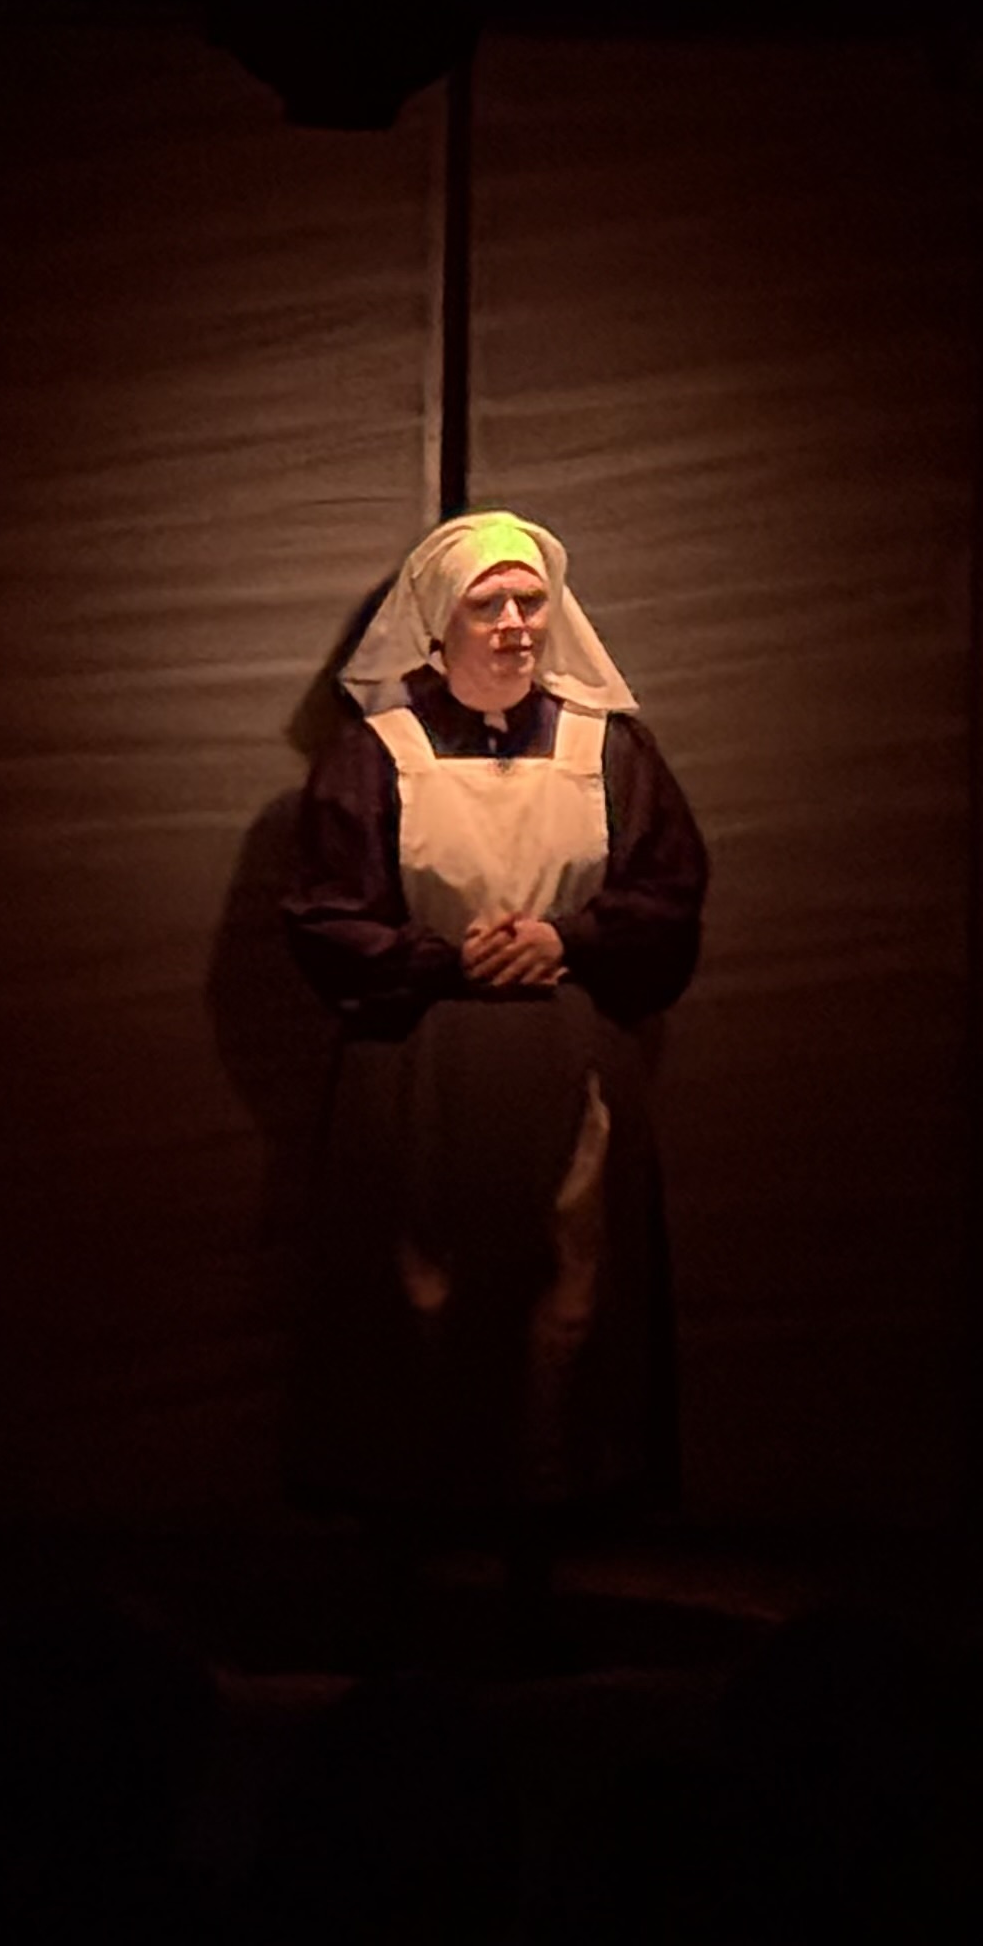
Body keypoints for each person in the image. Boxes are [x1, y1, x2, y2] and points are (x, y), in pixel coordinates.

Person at [283, 511, 708, 1631]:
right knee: (414, 1282)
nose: (517, 623)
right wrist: (441, 957)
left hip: (567, 1055)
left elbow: (669, 891)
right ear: (441, 622)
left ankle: (543, 1540)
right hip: (416, 1055)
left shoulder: (609, 747)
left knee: (568, 1286)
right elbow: (324, 911)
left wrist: (569, 937)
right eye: (489, 604)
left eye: (531, 601)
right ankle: (407, 1547)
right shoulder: (375, 753)